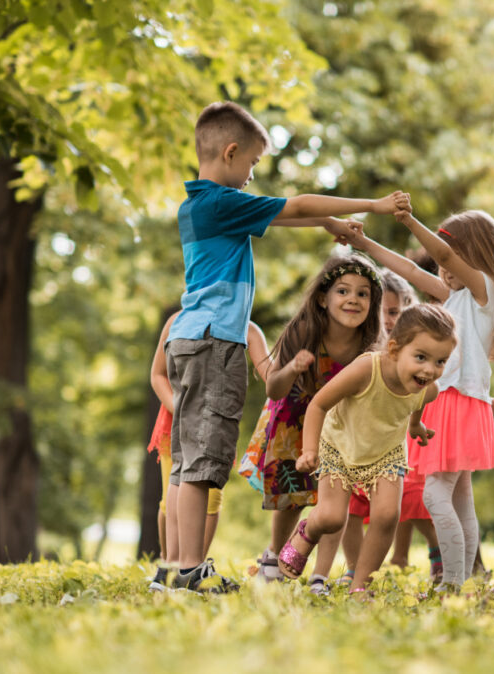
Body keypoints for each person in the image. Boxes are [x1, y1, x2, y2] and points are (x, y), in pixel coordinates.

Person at [166, 101, 408, 592]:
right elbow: (294, 205)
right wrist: (373, 206)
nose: (253, 175)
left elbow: (287, 216)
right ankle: (189, 570)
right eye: (252, 164)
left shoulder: (198, 206)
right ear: (230, 152)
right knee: (205, 462)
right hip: (215, 342)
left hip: (190, 338)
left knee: (188, 460)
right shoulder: (219, 201)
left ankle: (177, 567)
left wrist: (326, 226)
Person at [342, 209, 494, 590]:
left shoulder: (485, 292)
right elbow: (410, 271)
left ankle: (451, 584)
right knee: (460, 500)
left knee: (437, 495)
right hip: (447, 403)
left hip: (459, 402)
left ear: (479, 255)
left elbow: (447, 258)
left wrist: (408, 219)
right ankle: (464, 581)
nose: (443, 268)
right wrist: (364, 244)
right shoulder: (455, 298)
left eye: (449, 257)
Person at [277, 304, 457, 596]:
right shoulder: (366, 368)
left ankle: (360, 586)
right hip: (340, 446)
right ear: (395, 349)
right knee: (333, 517)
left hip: (386, 453)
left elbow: (419, 402)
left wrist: (415, 426)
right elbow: (319, 404)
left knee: (387, 515)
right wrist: (309, 450)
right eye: (421, 357)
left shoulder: (429, 388)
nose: (429, 370)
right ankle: (307, 530)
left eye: (440, 361)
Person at [239, 255, 384, 594]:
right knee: (293, 496)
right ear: (323, 297)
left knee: (335, 499)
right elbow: (274, 387)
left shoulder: (370, 343)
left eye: (363, 294)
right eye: (343, 291)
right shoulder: (304, 330)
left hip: (340, 426)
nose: (353, 299)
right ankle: (273, 557)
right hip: (294, 417)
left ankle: (320, 575)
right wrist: (291, 368)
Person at [147, 312, 271, 590]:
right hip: (174, 426)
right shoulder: (176, 321)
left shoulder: (246, 328)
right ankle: (168, 566)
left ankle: (194, 568)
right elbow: (157, 375)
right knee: (172, 499)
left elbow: (270, 373)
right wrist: (182, 412)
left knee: (211, 499)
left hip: (214, 426)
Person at [339, 271, 443, 584]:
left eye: (395, 312)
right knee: (352, 508)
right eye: (381, 311)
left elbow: (425, 391)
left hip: (396, 442)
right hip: (356, 441)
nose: (386, 319)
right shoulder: (359, 347)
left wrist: (416, 423)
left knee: (411, 501)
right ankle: (355, 568)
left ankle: (438, 552)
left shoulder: (413, 355)